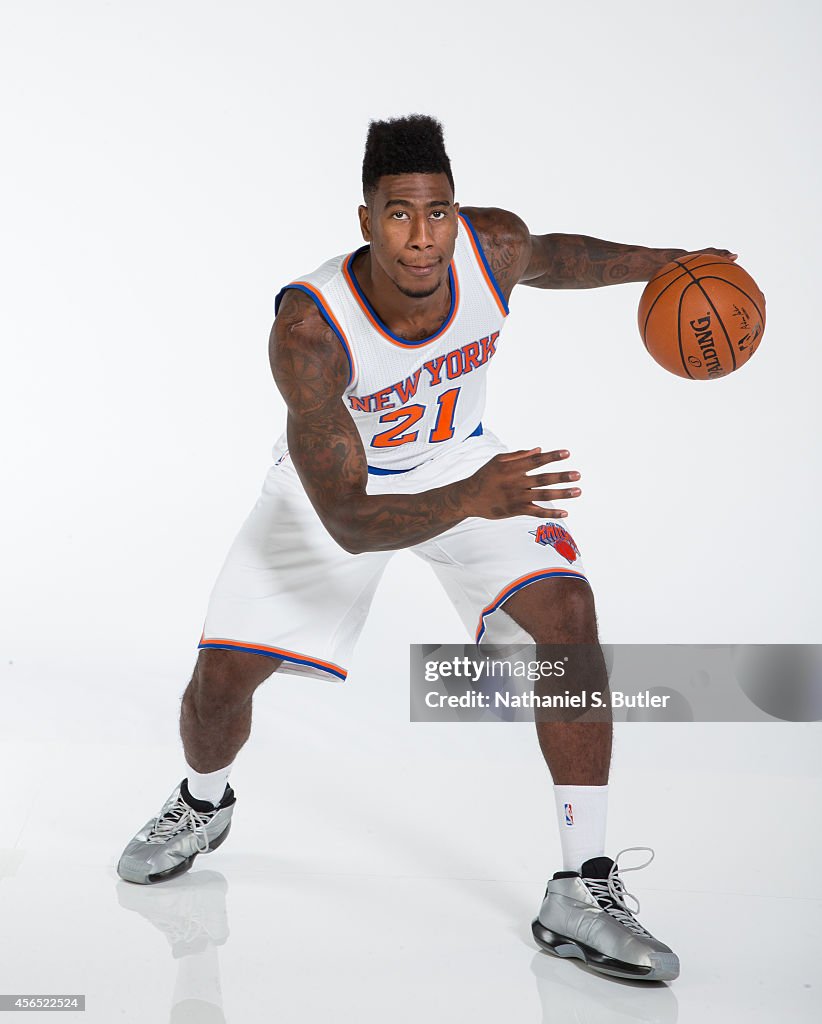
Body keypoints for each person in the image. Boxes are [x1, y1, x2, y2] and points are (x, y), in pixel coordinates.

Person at [117, 114, 735, 982]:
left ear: (457, 211)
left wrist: (665, 265)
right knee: (217, 691)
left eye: (438, 212)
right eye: (399, 213)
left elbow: (559, 254)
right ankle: (202, 802)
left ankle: (580, 886)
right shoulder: (311, 328)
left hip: (461, 460)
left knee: (568, 613)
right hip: (338, 492)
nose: (423, 235)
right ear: (365, 218)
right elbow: (347, 519)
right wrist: (475, 499)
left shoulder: (493, 247)